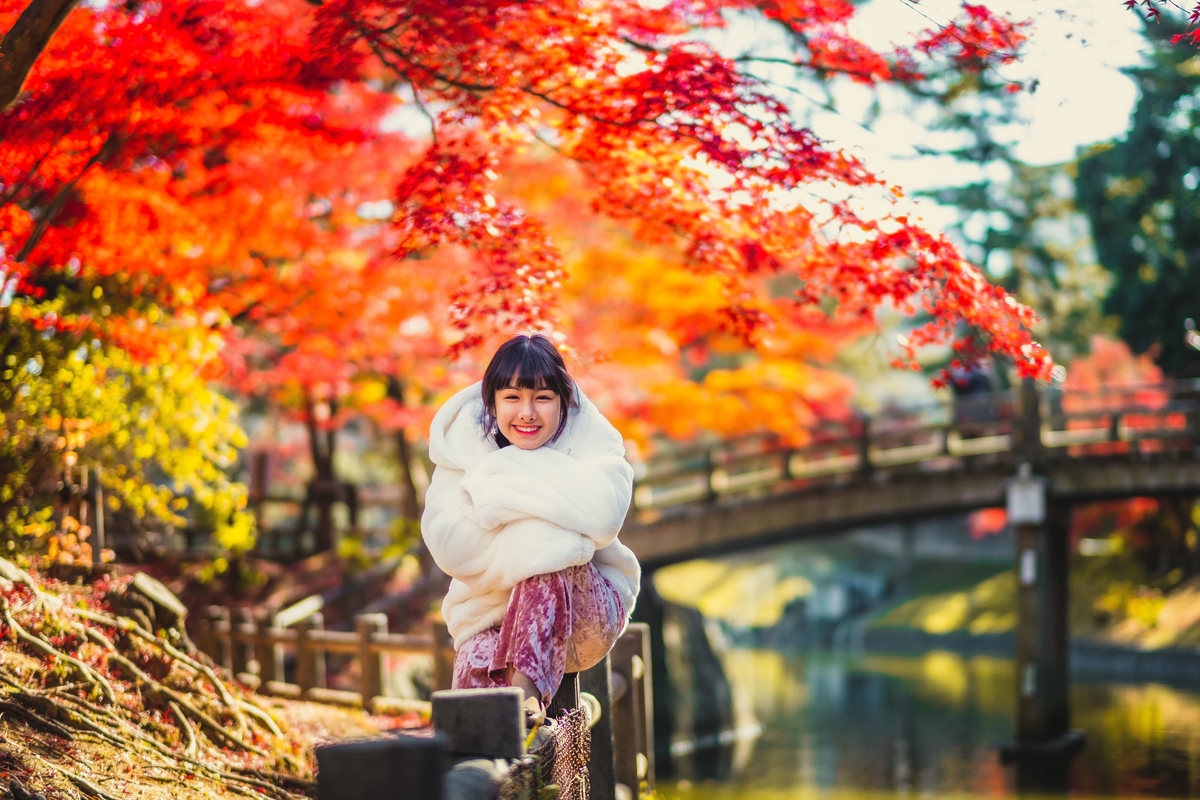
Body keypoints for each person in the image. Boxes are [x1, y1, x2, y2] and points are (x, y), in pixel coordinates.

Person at [421, 334, 641, 726]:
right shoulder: (464, 450)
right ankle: (482, 753)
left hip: (585, 617)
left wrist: (501, 488)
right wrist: (552, 504)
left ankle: (527, 691)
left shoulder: (589, 440)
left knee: (552, 546)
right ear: (492, 403)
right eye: (512, 397)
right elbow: (451, 547)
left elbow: (604, 517)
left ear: (563, 401)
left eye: (542, 398)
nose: (527, 413)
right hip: (490, 615)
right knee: (474, 676)